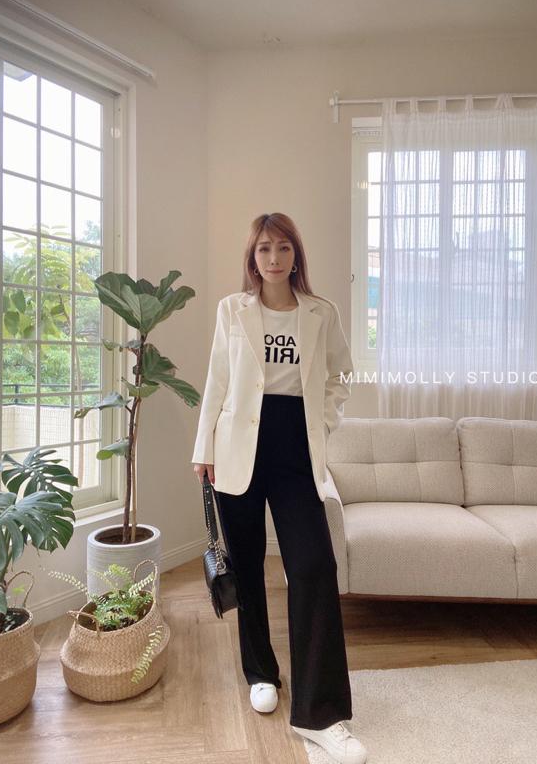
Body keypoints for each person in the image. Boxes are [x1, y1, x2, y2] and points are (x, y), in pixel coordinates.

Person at [191, 213, 367, 764]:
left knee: (313, 565)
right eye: (264, 248)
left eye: (283, 247)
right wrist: (203, 448)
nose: (273, 257)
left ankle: (322, 715)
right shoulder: (232, 310)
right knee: (246, 566)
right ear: (253, 255)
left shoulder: (321, 313)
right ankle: (261, 672)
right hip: (236, 447)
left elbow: (341, 375)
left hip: (295, 448)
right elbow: (217, 379)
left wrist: (324, 422)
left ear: (296, 255)